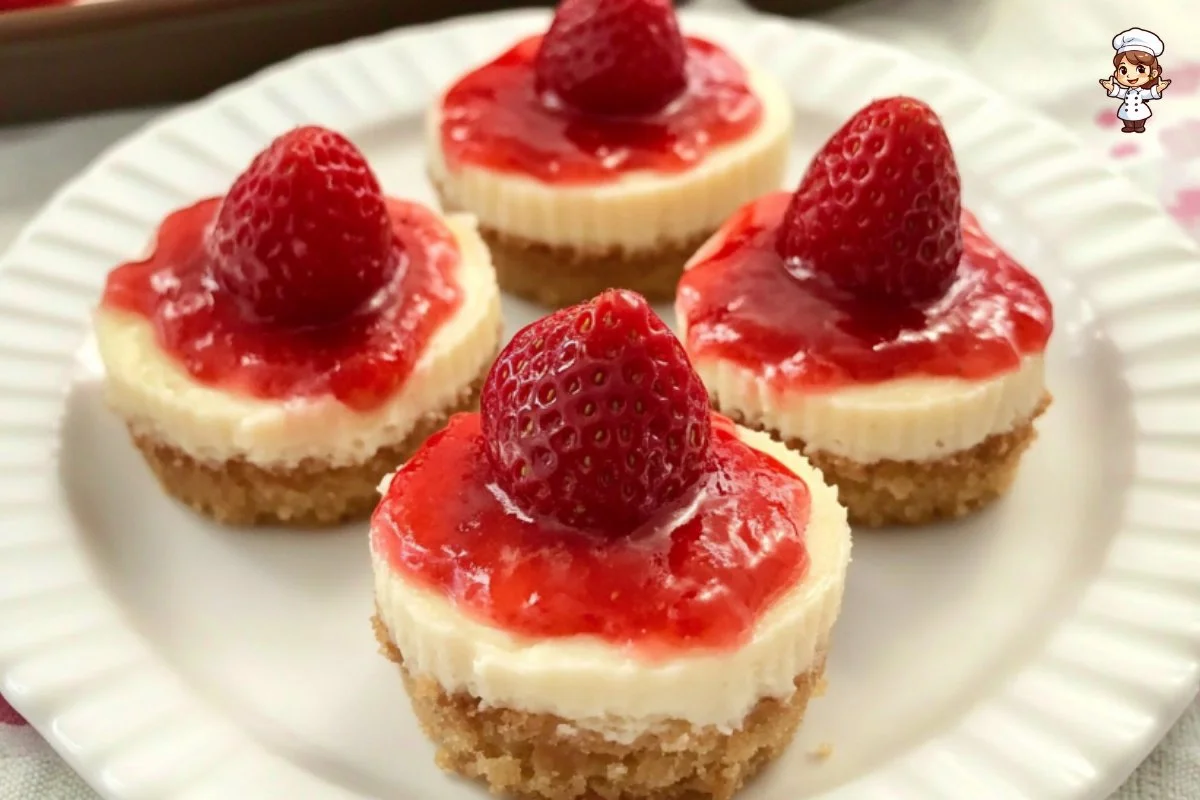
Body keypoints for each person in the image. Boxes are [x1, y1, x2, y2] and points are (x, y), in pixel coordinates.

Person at [1100, 28, 1171, 133]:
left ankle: (1139, 126)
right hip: (1127, 111)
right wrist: (1111, 88)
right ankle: (1128, 126)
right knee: (1126, 119)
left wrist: (1158, 89)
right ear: (1116, 74)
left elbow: (1149, 93)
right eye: (1123, 70)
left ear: (1153, 73)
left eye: (1140, 69)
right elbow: (1120, 92)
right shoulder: (1126, 91)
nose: (1130, 76)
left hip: (1140, 111)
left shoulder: (1141, 92)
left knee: (1140, 119)